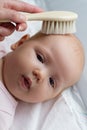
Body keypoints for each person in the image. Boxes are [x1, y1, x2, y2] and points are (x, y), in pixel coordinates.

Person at [0, 31, 84, 129]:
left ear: (49, 97)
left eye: (51, 82)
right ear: (20, 43)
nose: (41, 75)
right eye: (40, 58)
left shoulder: (3, 114)